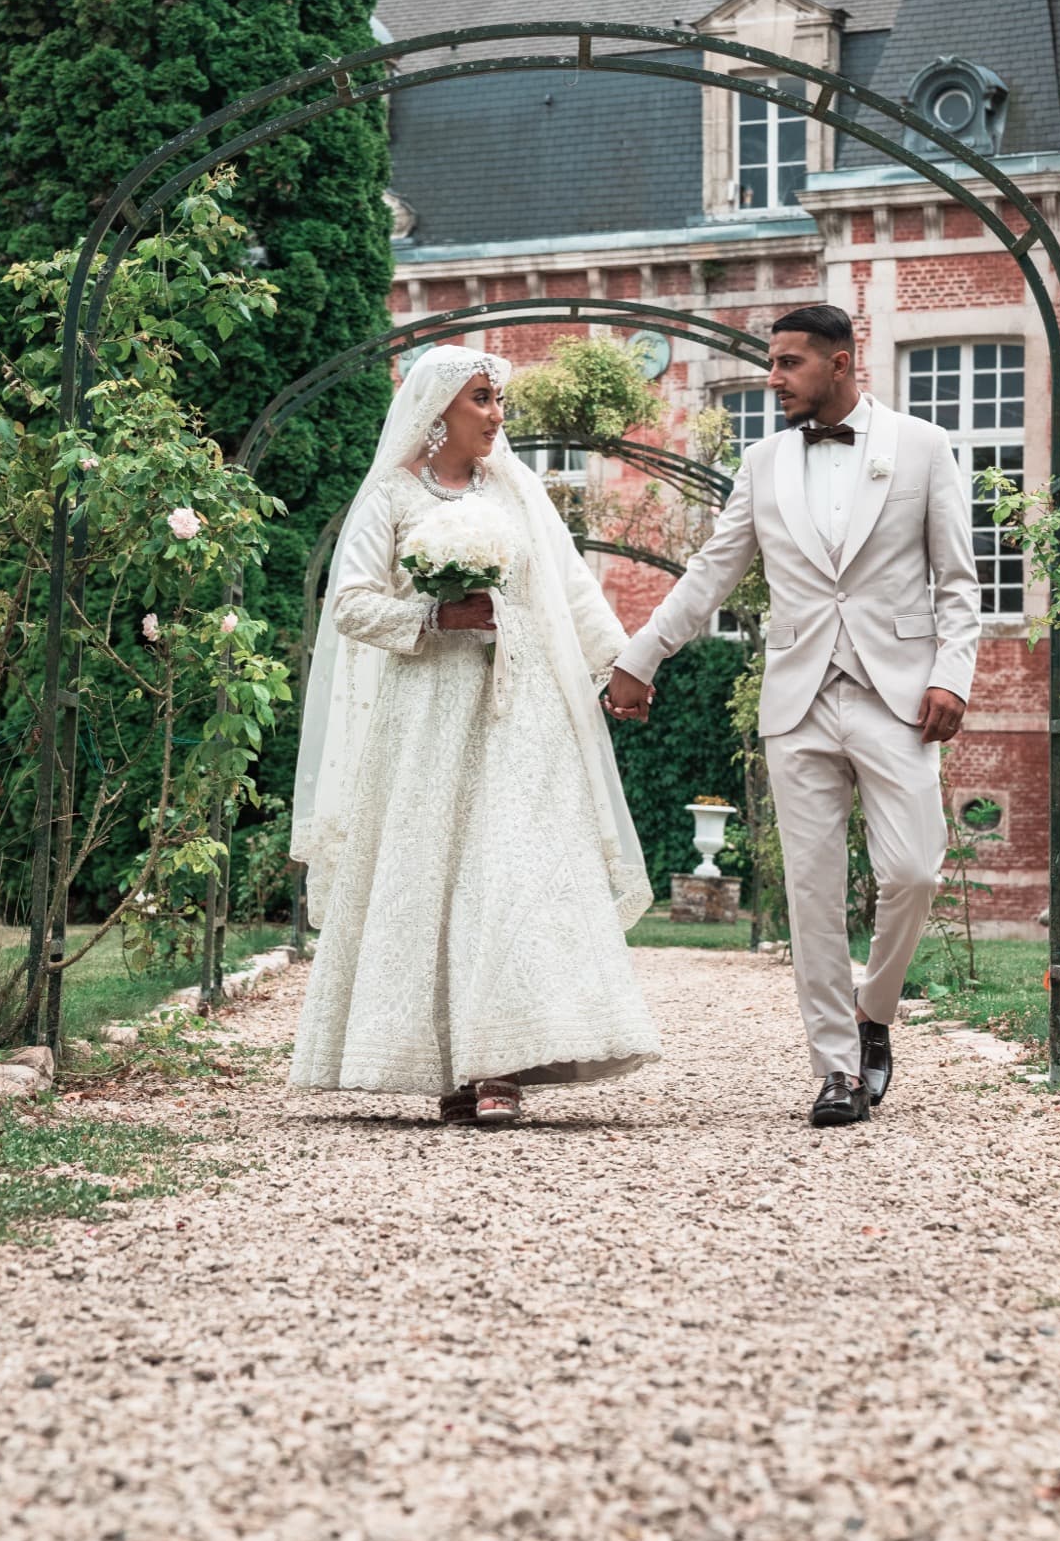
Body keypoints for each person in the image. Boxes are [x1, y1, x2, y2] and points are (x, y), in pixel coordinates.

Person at [606, 305, 980, 1129]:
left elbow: (957, 578)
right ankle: (837, 1072)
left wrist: (953, 673)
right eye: (770, 364)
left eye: (786, 365)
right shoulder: (762, 462)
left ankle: (872, 1010)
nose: (772, 379)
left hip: (900, 696)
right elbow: (711, 571)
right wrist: (640, 656)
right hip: (798, 697)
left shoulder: (921, 447)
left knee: (913, 871)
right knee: (811, 893)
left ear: (841, 364)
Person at [289, 344, 661, 1126]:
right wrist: (432, 615)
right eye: (483, 400)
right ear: (440, 409)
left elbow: (569, 586)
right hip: (425, 711)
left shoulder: (518, 490)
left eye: (499, 402)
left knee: (513, 867)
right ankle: (445, 1063)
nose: (497, 417)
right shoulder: (391, 495)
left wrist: (619, 666)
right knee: (434, 872)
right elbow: (350, 604)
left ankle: (500, 1064)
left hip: (521, 708)